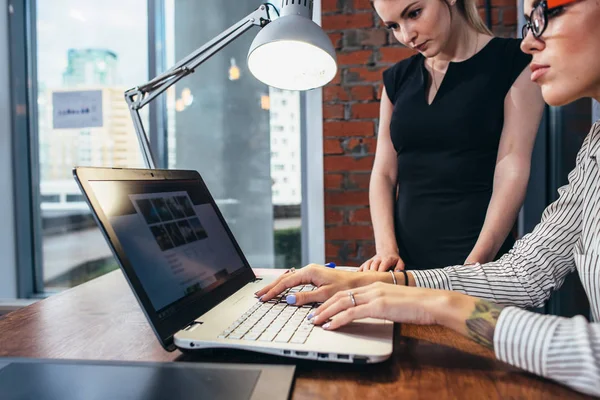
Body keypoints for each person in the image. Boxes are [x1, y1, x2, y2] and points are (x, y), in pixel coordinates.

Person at [256, 0, 600, 394]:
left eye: (544, 15)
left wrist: (439, 299)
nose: (527, 43)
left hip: (469, 245)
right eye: (393, 26)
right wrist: (393, 279)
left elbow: (511, 164)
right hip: (424, 258)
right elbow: (524, 274)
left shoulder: (507, 63)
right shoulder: (595, 150)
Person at [359, 0, 545, 272]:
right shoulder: (397, 79)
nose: (406, 35)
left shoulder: (514, 61)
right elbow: (384, 173)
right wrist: (386, 251)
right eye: (394, 26)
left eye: (414, 13)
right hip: (405, 267)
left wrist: (476, 265)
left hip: (479, 260)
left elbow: (512, 167)